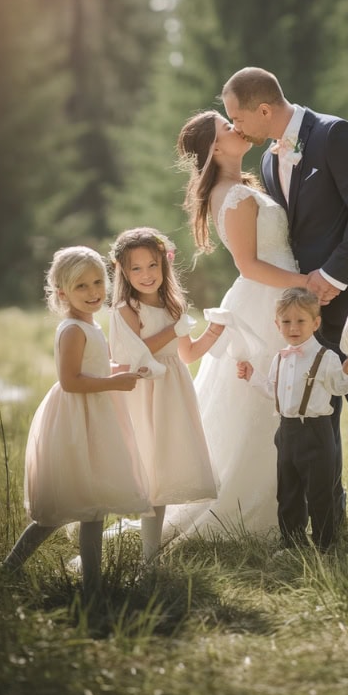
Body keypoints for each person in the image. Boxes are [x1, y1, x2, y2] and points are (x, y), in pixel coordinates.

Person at [221, 66, 348, 527]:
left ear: (264, 110)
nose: (236, 128)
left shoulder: (335, 134)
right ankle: (328, 520)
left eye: (237, 119)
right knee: (317, 418)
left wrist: (334, 276)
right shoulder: (265, 161)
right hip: (304, 313)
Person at [160, 110, 309, 542]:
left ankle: (287, 503)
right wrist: (306, 284)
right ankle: (255, 510)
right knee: (265, 400)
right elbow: (249, 265)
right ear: (214, 147)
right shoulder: (236, 196)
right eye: (227, 126)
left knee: (268, 399)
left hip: (272, 295)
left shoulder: (237, 187)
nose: (236, 127)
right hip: (267, 300)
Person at [3, 246, 151, 598]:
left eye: (98, 282)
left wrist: (118, 371)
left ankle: (94, 586)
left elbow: (91, 369)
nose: (93, 292)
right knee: (59, 509)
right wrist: (114, 383)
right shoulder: (72, 329)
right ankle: (9, 567)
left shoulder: (90, 324)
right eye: (81, 286)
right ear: (62, 293)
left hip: (94, 417)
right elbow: (71, 381)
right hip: (76, 419)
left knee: (93, 505)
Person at [107, 227, 221, 561]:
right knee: (145, 466)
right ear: (124, 272)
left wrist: (213, 332)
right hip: (143, 392)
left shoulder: (174, 304)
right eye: (136, 268)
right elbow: (132, 355)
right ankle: (142, 553)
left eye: (152, 265)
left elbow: (185, 354)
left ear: (164, 264)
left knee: (163, 468)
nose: (146, 275)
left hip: (172, 392)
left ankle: (150, 555)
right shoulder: (126, 309)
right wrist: (174, 329)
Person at [237, 288, 348, 552]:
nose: (293, 327)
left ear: (316, 323)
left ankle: (325, 545)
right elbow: (273, 390)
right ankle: (292, 543)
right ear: (277, 324)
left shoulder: (326, 357)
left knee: (319, 493)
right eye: (286, 322)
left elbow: (339, 387)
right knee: (288, 492)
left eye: (301, 321)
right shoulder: (280, 358)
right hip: (287, 431)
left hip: (316, 431)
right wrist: (252, 376)